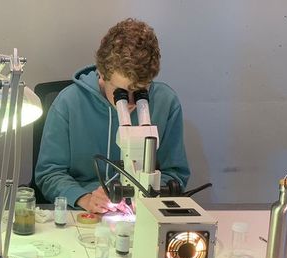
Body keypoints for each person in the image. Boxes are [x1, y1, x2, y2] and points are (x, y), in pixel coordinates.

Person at [35, 18, 190, 214]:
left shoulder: (166, 103)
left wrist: (149, 193)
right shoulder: (68, 103)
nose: (132, 102)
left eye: (141, 91)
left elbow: (175, 173)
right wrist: (85, 198)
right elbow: (49, 173)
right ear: (101, 74)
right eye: (123, 93)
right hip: (86, 211)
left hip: (143, 211)